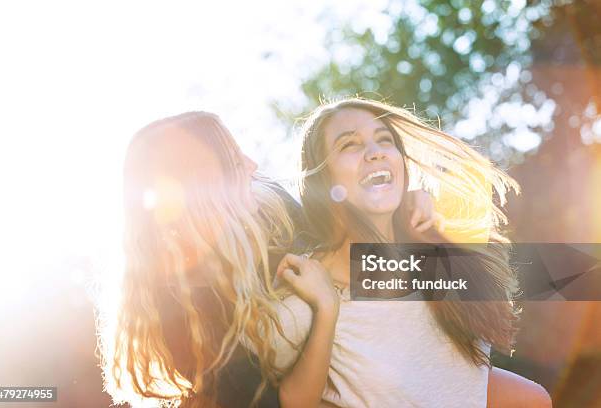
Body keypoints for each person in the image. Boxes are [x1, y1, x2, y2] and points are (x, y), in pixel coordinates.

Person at [95, 110, 439, 408]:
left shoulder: (271, 207)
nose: (252, 165)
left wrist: (401, 206)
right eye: (233, 160)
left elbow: (341, 240)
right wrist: (325, 309)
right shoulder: (181, 313)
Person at [269, 98, 552, 407]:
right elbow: (294, 401)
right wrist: (326, 310)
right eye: (350, 144)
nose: (375, 152)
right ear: (322, 178)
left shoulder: (425, 248)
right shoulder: (307, 291)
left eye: (384, 140)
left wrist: (420, 214)